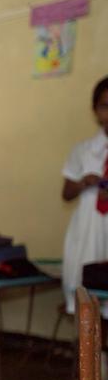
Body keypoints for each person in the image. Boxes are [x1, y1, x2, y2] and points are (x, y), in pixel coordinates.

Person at [62, 76, 108, 318]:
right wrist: (84, 182)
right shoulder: (82, 150)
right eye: (105, 106)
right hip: (89, 228)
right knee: (88, 298)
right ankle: (94, 355)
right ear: (95, 110)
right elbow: (66, 193)